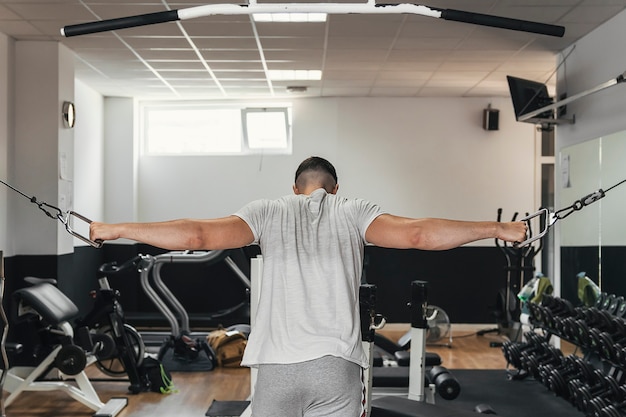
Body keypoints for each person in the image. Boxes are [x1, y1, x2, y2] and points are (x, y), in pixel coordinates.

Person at [90, 156, 527, 417]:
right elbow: (418, 235)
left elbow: (196, 236)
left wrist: (113, 229)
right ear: (336, 189)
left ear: (294, 188)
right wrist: (497, 228)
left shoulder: (265, 210)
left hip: (276, 368)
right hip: (335, 367)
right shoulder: (353, 210)